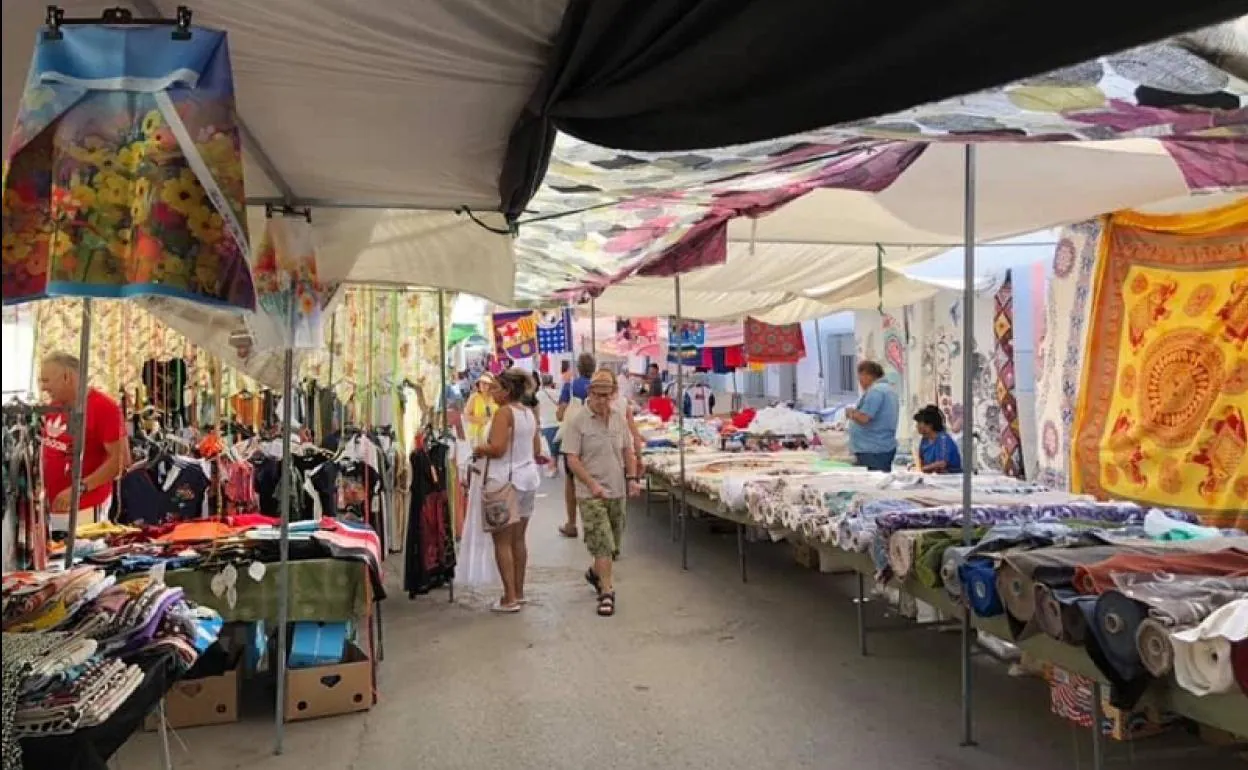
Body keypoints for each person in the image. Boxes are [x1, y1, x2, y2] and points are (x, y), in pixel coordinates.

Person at [562, 370, 641, 617]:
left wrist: (632, 478)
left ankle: (596, 573)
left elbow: (628, 451)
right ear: (590, 394)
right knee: (603, 544)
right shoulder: (577, 421)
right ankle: (607, 592)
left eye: (607, 397)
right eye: (598, 396)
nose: (602, 401)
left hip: (617, 489)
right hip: (590, 493)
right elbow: (572, 459)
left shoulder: (618, 418)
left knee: (613, 545)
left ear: (613, 396)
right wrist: (591, 484)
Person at [472, 369, 545, 612]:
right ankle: (519, 591)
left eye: (495, 387)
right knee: (519, 540)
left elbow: (498, 448)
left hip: (503, 481)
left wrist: (480, 449)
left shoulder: (504, 413)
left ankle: (509, 597)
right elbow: (536, 448)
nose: (491, 391)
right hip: (528, 479)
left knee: (502, 541)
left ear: (507, 391)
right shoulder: (529, 413)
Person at [38, 352, 127, 535]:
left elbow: (121, 461)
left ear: (67, 377)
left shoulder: (104, 407)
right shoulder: (54, 406)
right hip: (49, 510)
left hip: (84, 511)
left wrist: (78, 489)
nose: (43, 387)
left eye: (46, 380)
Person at [556, 352, 595, 538]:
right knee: (594, 479)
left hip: (573, 440)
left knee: (571, 481)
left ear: (578, 368)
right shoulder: (598, 386)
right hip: (595, 438)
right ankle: (593, 525)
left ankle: (571, 524)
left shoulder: (570, 385)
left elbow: (560, 414)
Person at [845, 360, 900, 472]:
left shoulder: (876, 391)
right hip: (880, 447)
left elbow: (864, 418)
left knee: (872, 484)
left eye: (860, 377)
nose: (860, 382)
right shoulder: (888, 389)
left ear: (867, 375)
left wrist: (851, 412)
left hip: (873, 449)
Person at [914, 405, 963, 474]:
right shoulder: (924, 440)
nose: (917, 426)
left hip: (950, 478)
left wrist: (922, 469)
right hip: (933, 477)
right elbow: (921, 461)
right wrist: (915, 466)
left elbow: (942, 464)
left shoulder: (943, 439)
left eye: (919, 423)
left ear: (930, 424)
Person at [536, 374, 562, 470]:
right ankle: (555, 465)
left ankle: (552, 468)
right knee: (556, 447)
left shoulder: (538, 395)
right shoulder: (558, 393)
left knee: (550, 448)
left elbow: (536, 410)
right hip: (559, 424)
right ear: (551, 382)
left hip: (546, 424)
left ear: (542, 382)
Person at [463, 372, 496, 447]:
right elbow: (466, 416)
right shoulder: (474, 397)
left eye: (485, 383)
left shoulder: (495, 398)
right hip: (477, 435)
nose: (482, 385)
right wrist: (482, 420)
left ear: (491, 385)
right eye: (481, 383)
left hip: (493, 434)